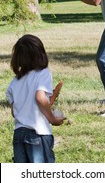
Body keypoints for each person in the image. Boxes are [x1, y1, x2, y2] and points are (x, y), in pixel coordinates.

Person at [5, 34, 65, 163]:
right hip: (38, 134)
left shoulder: (14, 82)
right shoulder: (43, 73)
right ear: (41, 54)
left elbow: (14, 112)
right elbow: (39, 97)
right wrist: (52, 118)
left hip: (19, 135)